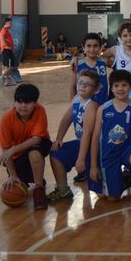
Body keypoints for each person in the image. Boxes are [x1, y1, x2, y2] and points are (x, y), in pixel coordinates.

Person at [89, 69, 131, 212]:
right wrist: (93, 165)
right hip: (108, 154)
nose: (120, 89)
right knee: (112, 198)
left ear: (130, 86)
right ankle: (126, 178)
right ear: (111, 88)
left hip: (126, 150)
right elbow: (95, 137)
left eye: (124, 85)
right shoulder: (103, 109)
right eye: (116, 85)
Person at [47, 70, 99, 201]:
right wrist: (59, 138)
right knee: (55, 153)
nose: (83, 86)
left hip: (93, 149)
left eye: (88, 84)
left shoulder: (92, 106)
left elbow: (87, 134)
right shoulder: (76, 100)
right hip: (80, 144)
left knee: (103, 195)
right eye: (81, 83)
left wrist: (80, 159)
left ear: (96, 89)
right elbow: (66, 119)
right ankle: (62, 189)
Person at [0, 83, 51, 210]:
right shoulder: (6, 119)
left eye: (27, 102)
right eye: (19, 102)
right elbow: (6, 149)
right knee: (18, 182)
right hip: (18, 154)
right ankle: (34, 177)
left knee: (34, 152)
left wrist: (13, 149)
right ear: (14, 102)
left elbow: (36, 139)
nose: (23, 106)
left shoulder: (40, 111)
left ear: (35, 104)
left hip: (40, 144)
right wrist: (12, 175)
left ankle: (39, 189)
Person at [70, 33, 109, 106]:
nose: (92, 49)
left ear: (100, 47)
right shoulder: (78, 64)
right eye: (88, 46)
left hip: (102, 104)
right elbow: (73, 87)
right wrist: (72, 107)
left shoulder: (104, 61)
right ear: (83, 47)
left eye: (95, 46)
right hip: (84, 105)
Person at [0, 17, 17, 86]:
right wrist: (8, 45)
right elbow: (2, 38)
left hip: (8, 50)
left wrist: (11, 44)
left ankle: (7, 80)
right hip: (6, 50)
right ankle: (2, 77)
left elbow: (6, 39)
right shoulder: (4, 30)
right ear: (6, 23)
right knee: (12, 65)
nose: (11, 24)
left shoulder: (7, 30)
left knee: (6, 66)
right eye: (10, 23)